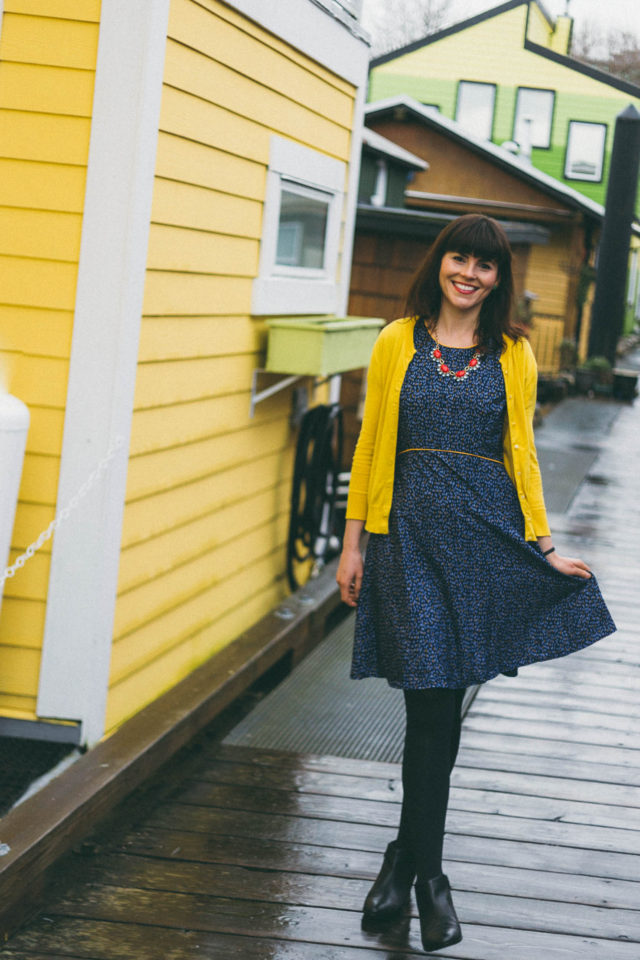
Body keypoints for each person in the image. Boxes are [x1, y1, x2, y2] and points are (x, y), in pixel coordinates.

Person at [336, 214, 616, 954]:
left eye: (485, 265)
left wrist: (545, 547)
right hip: (408, 539)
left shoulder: (513, 352)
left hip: (481, 540)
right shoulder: (398, 339)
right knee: (430, 696)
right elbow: (371, 444)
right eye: (460, 257)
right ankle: (429, 878)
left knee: (441, 704)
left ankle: (408, 865)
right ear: (441, 263)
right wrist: (352, 543)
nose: (470, 272)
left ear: (498, 278)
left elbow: (520, 451)